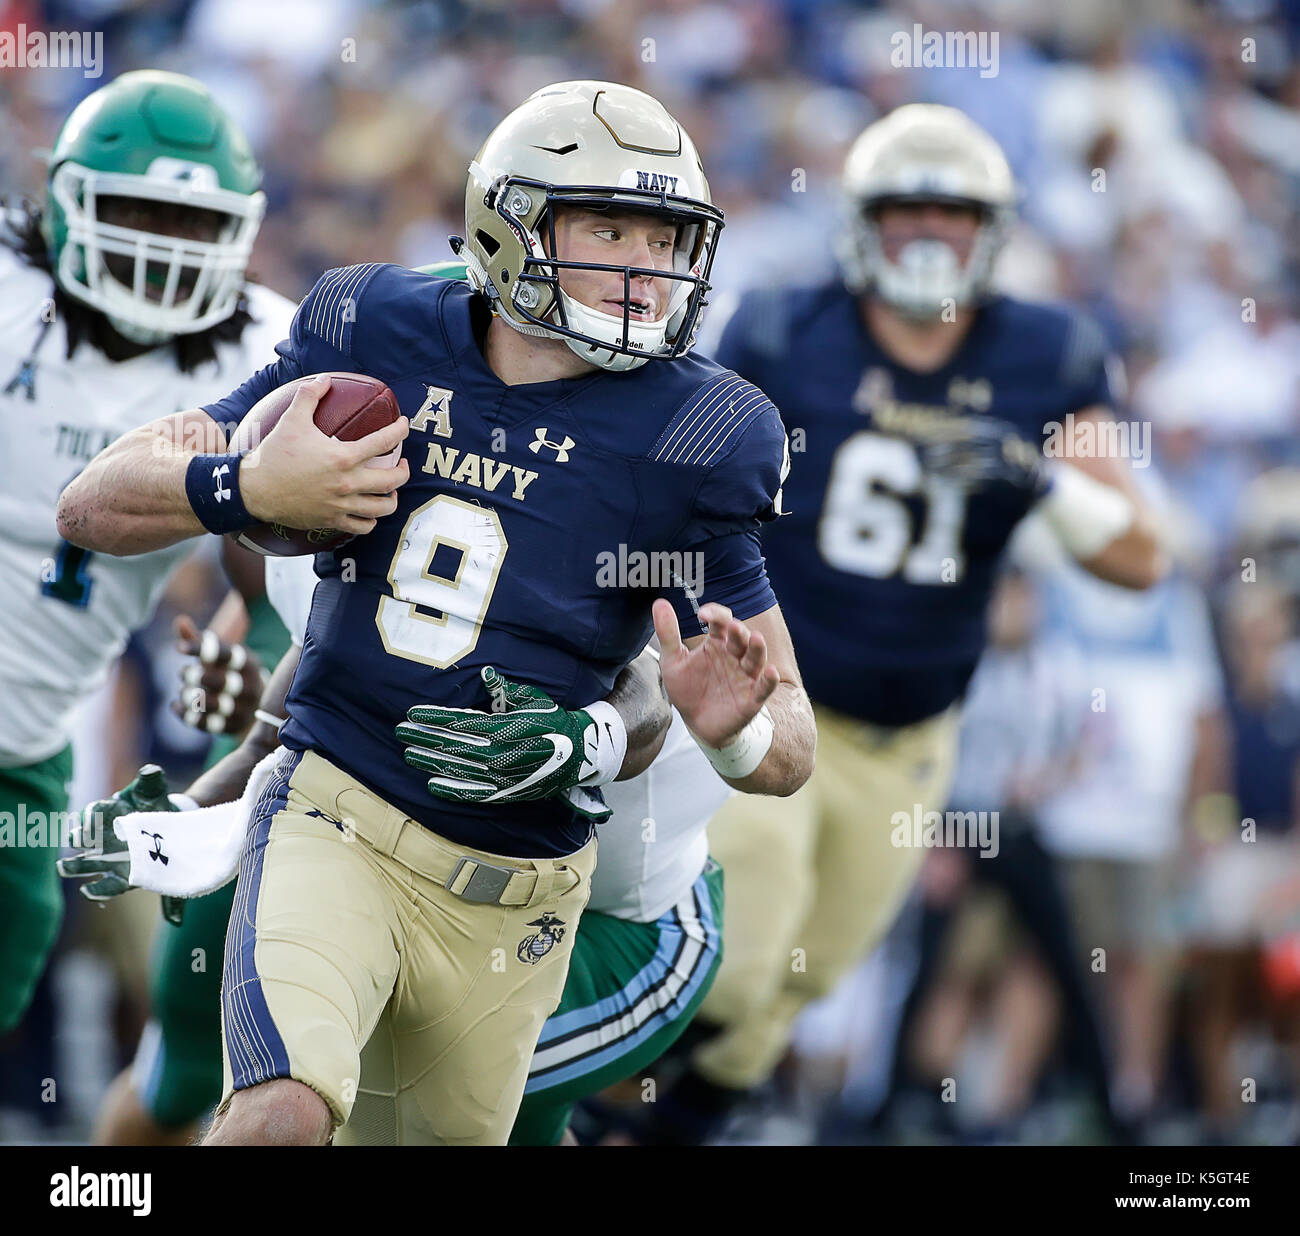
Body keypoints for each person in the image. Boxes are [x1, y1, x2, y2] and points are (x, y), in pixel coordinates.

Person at [56, 80, 817, 1146]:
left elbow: (785, 743)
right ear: (510, 224)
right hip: (337, 815)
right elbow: (95, 502)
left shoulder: (698, 433)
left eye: (665, 238)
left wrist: (733, 726)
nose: (646, 270)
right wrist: (241, 491)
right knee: (275, 1112)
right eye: (608, 229)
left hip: (539, 893)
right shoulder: (374, 335)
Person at [644, 102, 1166, 1143]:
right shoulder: (788, 332)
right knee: (741, 964)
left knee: (805, 983)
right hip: (776, 697)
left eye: (953, 213)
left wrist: (1040, 487)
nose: (928, 235)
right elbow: (679, 482)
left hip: (911, 739)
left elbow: (1141, 559)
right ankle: (596, 1106)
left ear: (993, 231)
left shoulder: (1045, 353)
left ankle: (650, 1131)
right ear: (860, 223)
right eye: (905, 211)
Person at [0, 69, 292, 1037]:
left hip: (26, 748)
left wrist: (251, 654)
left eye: (189, 223)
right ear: (70, 202)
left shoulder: (266, 353)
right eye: (134, 210)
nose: (159, 246)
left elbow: (296, 565)